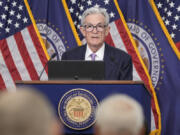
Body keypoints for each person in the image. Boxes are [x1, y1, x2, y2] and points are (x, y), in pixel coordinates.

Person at [62, 7, 132, 80]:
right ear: (83, 31)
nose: (95, 31)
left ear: (107, 30)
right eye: (89, 26)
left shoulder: (123, 59)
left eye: (100, 26)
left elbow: (125, 91)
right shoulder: (68, 57)